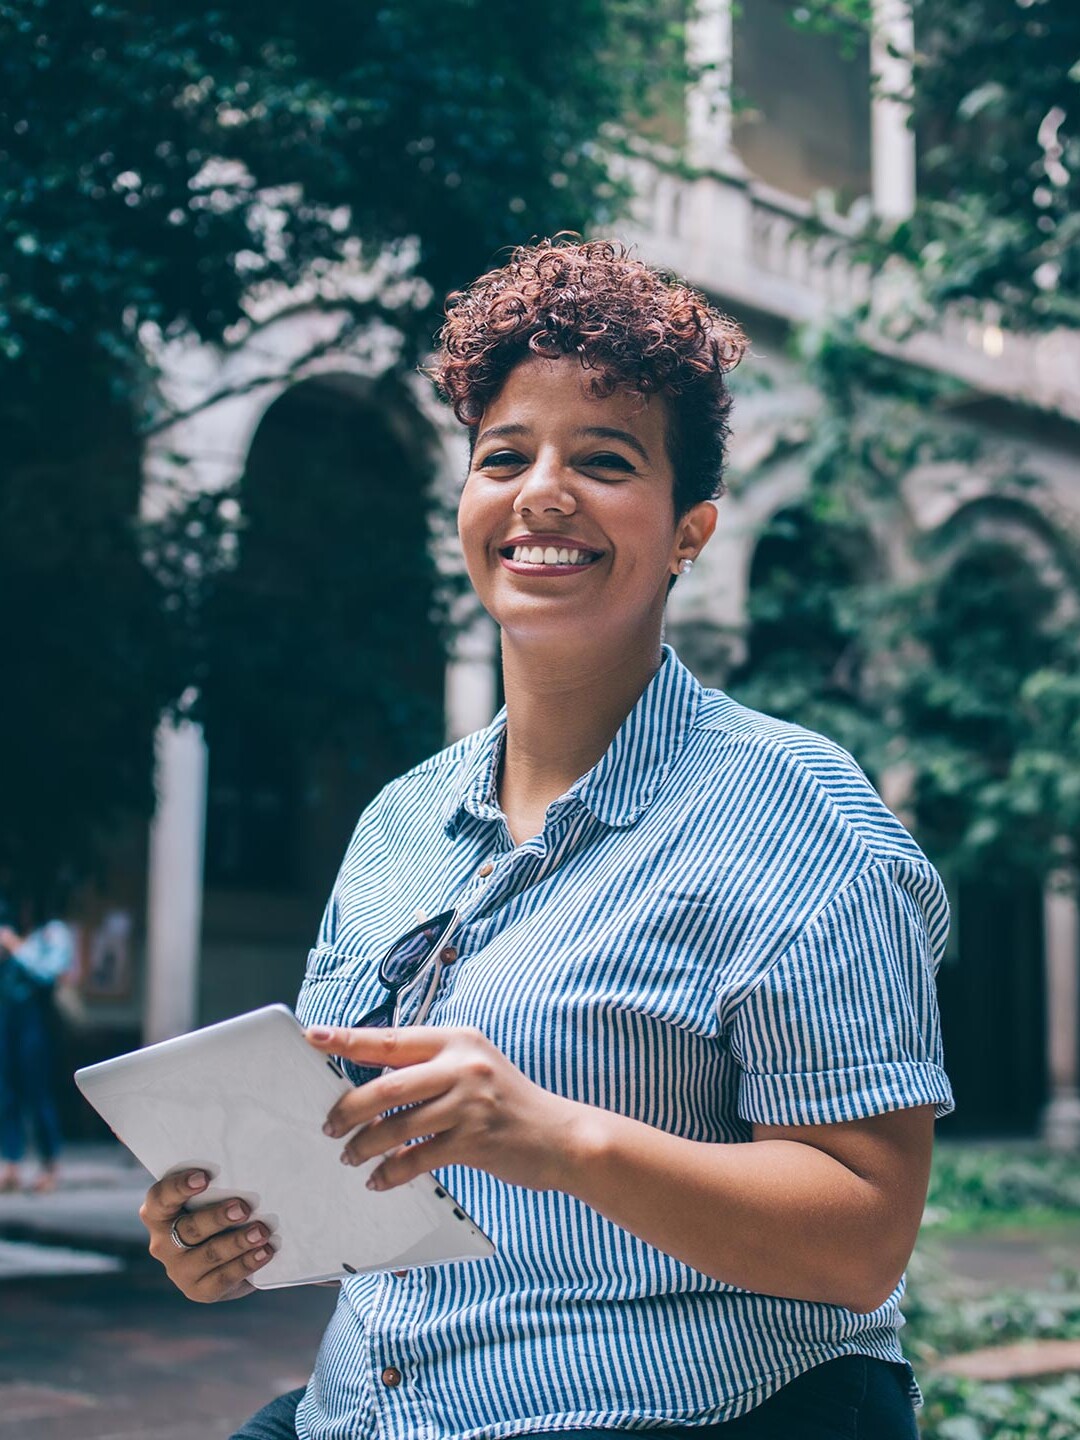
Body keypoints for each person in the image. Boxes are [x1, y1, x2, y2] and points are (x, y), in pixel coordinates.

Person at [140, 238, 954, 1440]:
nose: (541, 493)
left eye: (606, 460)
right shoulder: (402, 822)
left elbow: (864, 1240)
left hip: (668, 1409)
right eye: (503, 457)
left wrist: (559, 1135)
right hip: (365, 1404)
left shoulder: (798, 821)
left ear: (690, 530)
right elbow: (358, 1172)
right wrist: (235, 1232)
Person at [0, 894, 76, 1193]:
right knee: (6, 1093)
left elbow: (49, 973)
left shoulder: (52, 932)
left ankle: (50, 1164)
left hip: (38, 1021)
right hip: (8, 1019)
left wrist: (15, 946)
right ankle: (12, 1163)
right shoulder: (18, 932)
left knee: (38, 1092)